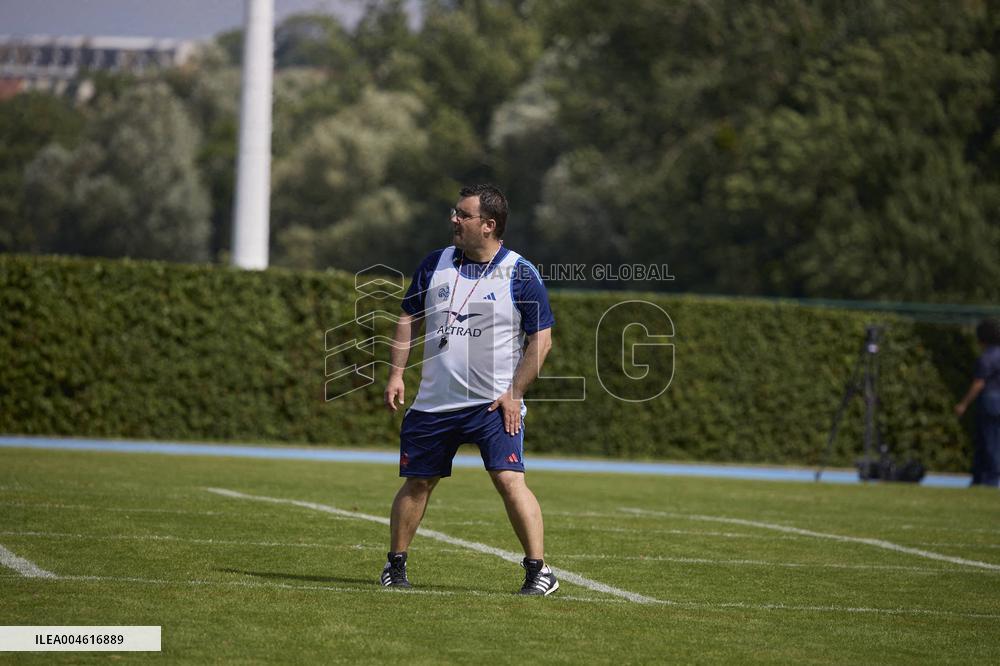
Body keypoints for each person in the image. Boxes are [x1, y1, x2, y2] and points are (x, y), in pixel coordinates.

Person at [380, 184, 559, 595]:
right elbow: (409, 318)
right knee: (417, 482)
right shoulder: (435, 263)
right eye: (455, 212)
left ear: (489, 225)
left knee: (509, 479)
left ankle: (539, 572)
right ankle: (395, 566)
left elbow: (541, 340)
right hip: (433, 403)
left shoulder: (520, 272)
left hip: (492, 405)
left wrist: (514, 393)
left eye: (463, 214)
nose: (454, 220)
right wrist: (395, 374)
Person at [955, 318, 1000, 487]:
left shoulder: (987, 358)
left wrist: (964, 403)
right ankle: (981, 478)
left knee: (989, 442)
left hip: (989, 402)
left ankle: (989, 478)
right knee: (988, 441)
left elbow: (979, 383)